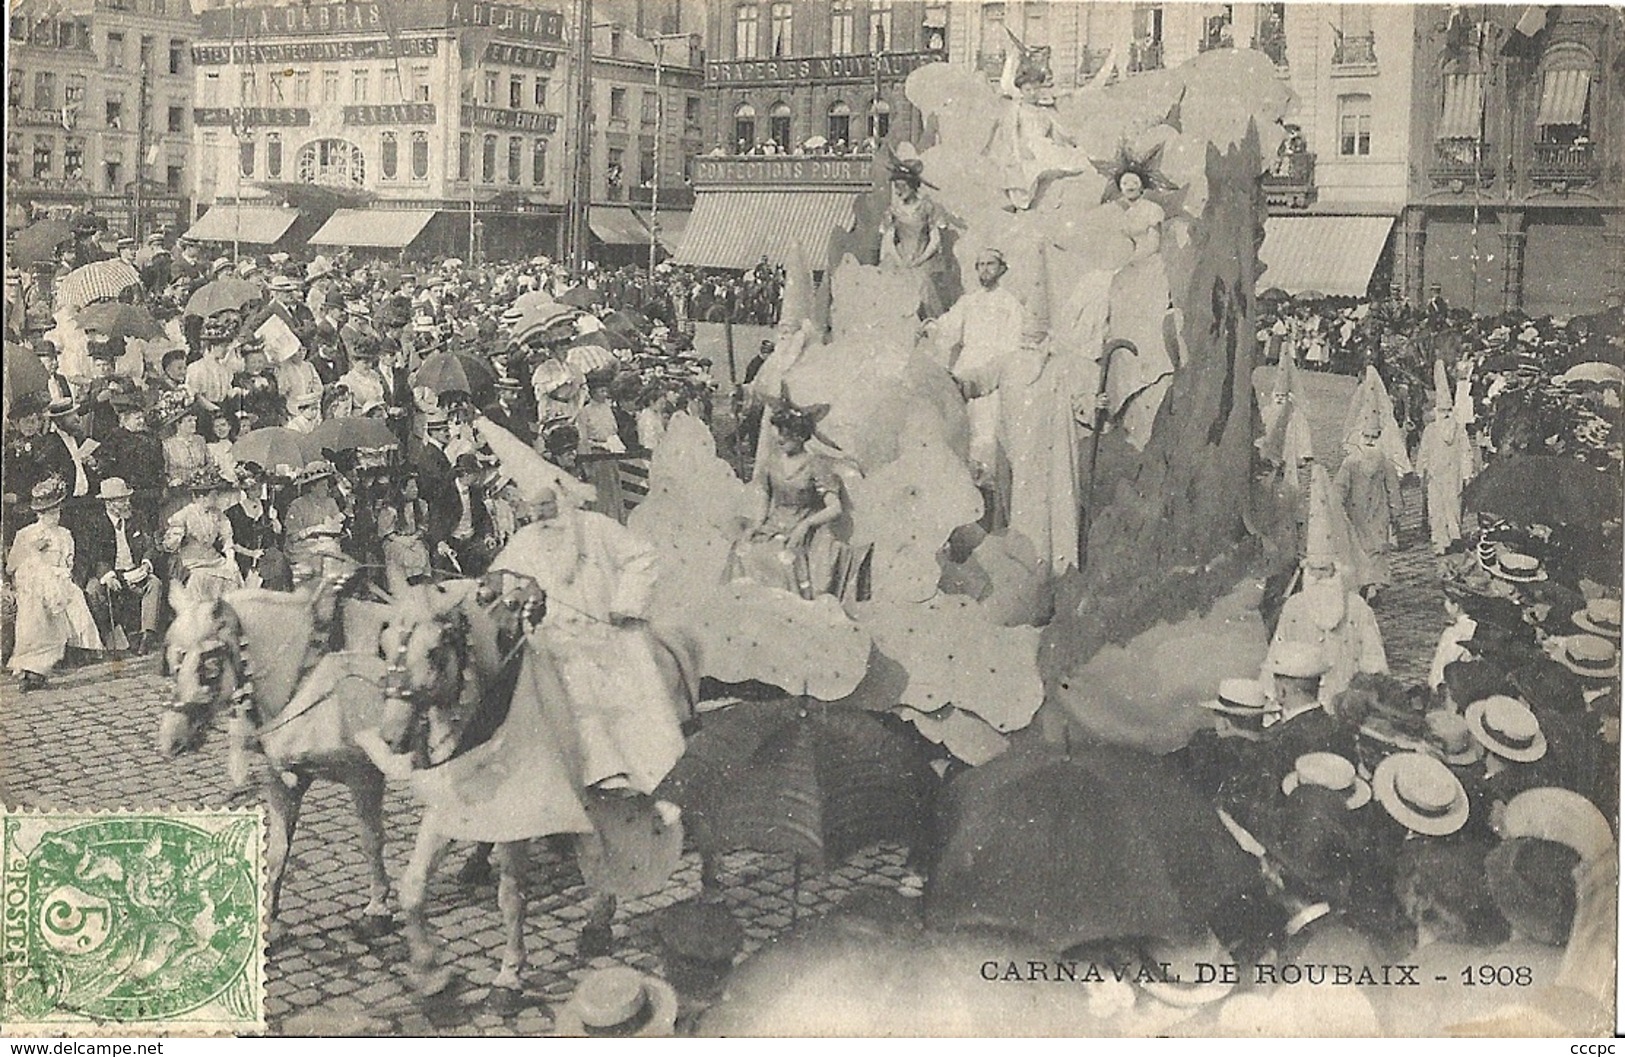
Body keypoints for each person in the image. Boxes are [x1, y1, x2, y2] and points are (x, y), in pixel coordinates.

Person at [487, 482, 686, 796]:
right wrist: (508, 595)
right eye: (534, 508)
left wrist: (625, 603)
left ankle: (638, 776)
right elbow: (512, 578)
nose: (541, 515)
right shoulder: (528, 539)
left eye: (547, 506)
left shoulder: (596, 527)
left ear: (562, 500)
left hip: (607, 632)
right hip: (556, 637)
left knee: (623, 696)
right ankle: (584, 774)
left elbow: (644, 557)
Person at [929, 246, 1026, 519]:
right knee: (964, 434)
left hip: (994, 378)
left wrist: (998, 371)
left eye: (990, 264)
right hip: (967, 374)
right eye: (980, 264)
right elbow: (948, 328)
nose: (985, 270)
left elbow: (1014, 345)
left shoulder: (1010, 304)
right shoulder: (968, 301)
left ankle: (993, 508)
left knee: (990, 435)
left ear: (1001, 268)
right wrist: (932, 328)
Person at [726, 400, 850, 601]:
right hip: (774, 523)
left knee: (783, 558)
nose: (779, 438)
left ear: (801, 435)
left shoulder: (816, 465)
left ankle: (788, 611)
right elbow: (766, 495)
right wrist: (757, 524)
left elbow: (835, 508)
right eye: (777, 431)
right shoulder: (772, 462)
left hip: (803, 524)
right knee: (742, 550)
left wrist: (807, 525)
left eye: (785, 433)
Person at [8, 478, 103, 690]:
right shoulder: (26, 535)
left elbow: (68, 564)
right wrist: (32, 550)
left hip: (60, 583)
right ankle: (30, 669)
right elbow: (11, 566)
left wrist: (60, 577)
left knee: (71, 600)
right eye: (49, 513)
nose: (55, 517)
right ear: (39, 514)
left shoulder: (65, 535)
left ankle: (53, 662)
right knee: (34, 618)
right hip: (32, 585)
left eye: (57, 512)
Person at [76, 477, 162, 655]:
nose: (127, 503)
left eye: (127, 498)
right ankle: (110, 635)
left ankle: (147, 635)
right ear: (109, 503)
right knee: (93, 589)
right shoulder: (94, 524)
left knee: (154, 583)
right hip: (110, 573)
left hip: (135, 571)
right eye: (122, 500)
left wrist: (146, 564)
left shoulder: (137, 517)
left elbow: (149, 545)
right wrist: (108, 575)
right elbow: (93, 555)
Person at [1334, 406, 1403, 602]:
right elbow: (1341, 486)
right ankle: (1370, 583)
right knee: (1371, 548)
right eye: (1367, 437)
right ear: (1361, 437)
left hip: (1369, 512)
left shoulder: (1357, 462)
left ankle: (1369, 584)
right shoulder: (1355, 463)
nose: (1370, 441)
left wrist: (1395, 510)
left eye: (1374, 437)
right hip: (1368, 513)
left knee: (1370, 548)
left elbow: (1392, 488)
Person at [163, 469, 244, 615]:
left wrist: (231, 560)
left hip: (213, 559)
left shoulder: (218, 514)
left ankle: (228, 617)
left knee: (232, 571)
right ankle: (197, 618)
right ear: (202, 497)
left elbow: (227, 538)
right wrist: (175, 537)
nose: (217, 497)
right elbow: (170, 543)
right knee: (199, 577)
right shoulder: (184, 514)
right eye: (214, 494)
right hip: (191, 560)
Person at [282, 461, 347, 583]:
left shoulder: (331, 502)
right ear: (312, 487)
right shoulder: (298, 505)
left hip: (326, 545)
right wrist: (311, 530)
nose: (327, 489)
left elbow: (337, 527)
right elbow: (293, 536)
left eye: (327, 485)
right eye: (323, 485)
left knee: (334, 556)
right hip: (302, 548)